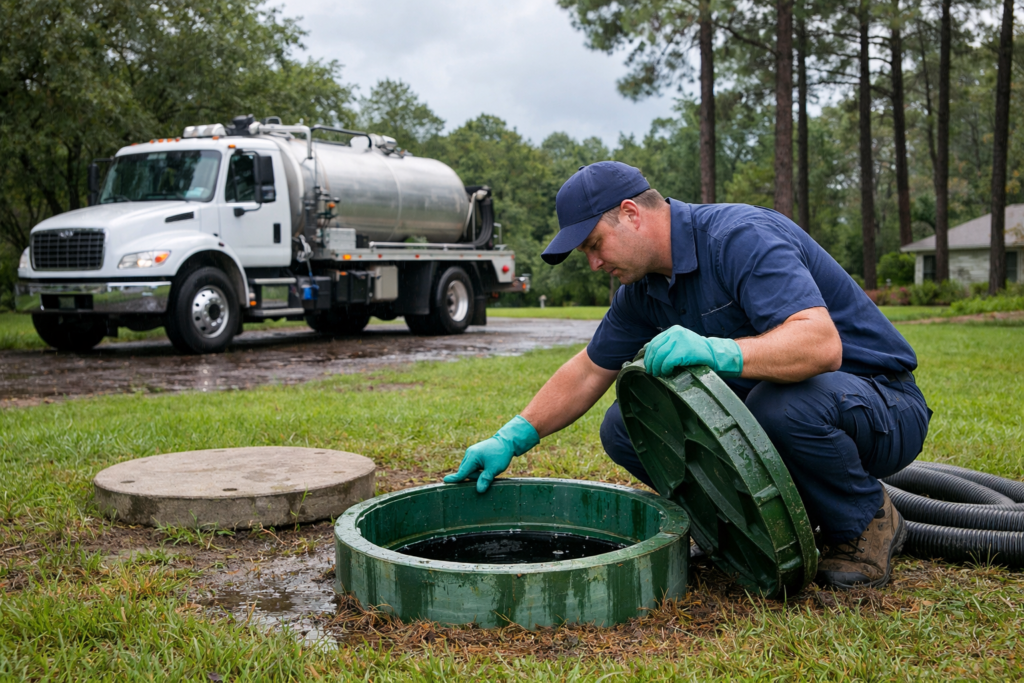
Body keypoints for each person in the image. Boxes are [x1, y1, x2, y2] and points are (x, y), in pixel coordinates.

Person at [444, 161, 931, 590]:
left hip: (878, 401)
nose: (593, 263)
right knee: (626, 425)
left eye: (595, 245)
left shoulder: (740, 238)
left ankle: (866, 520)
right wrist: (511, 437)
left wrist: (715, 349)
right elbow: (590, 370)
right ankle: (744, 530)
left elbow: (820, 345)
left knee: (780, 407)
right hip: (785, 406)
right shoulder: (642, 290)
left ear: (631, 214)